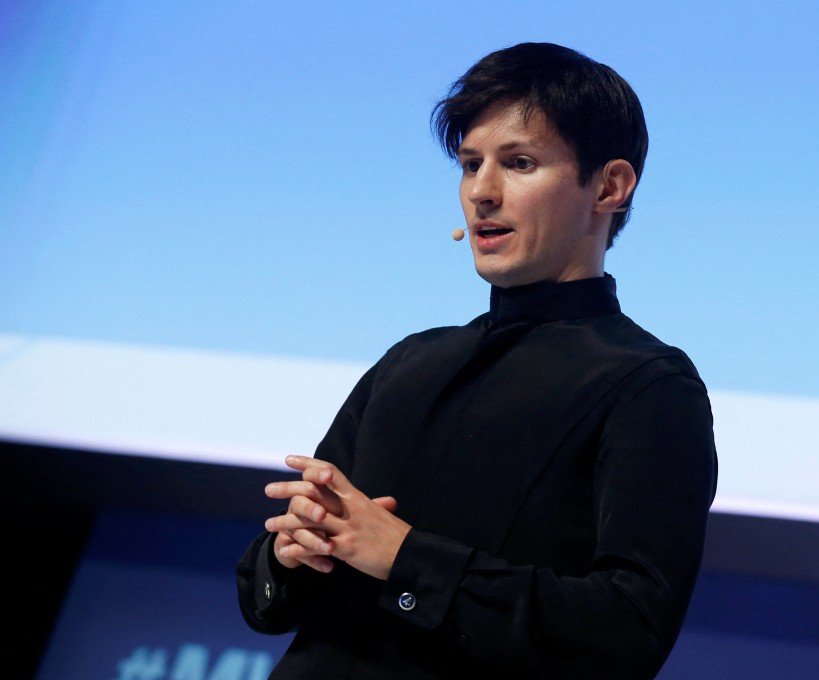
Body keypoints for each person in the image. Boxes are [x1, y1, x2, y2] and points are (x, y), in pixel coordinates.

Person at [237, 41, 718, 679]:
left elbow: (628, 631)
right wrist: (292, 553)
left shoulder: (648, 385)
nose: (482, 192)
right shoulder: (409, 361)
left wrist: (405, 560)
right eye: (470, 164)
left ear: (609, 185)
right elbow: (263, 601)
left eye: (518, 163)